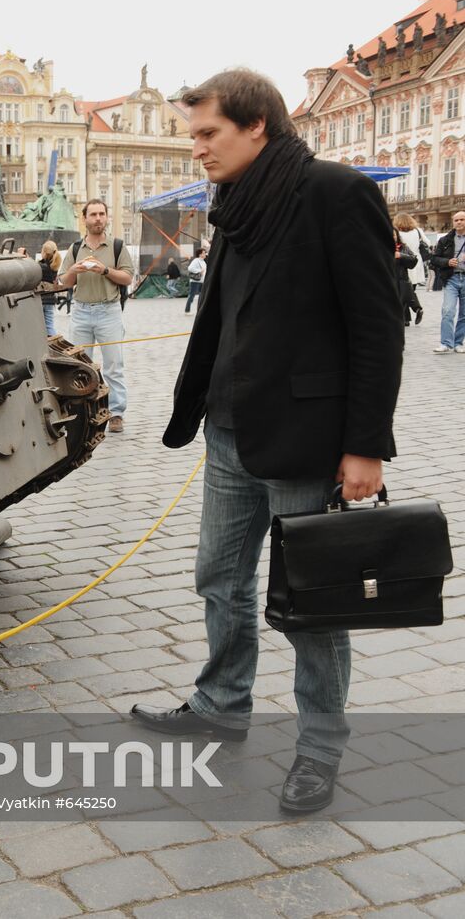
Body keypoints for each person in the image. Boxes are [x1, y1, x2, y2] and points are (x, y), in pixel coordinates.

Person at [136, 68, 402, 814]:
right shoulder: (235, 202)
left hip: (307, 438)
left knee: (312, 605)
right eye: (193, 135)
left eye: (207, 133)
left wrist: (365, 446)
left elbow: (377, 330)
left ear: (257, 125)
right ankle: (222, 703)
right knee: (218, 578)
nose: (196, 150)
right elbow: (222, 316)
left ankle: (320, 747)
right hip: (229, 433)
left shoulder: (334, 193)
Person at [55, 199, 135, 432]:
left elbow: (128, 277)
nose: (98, 218)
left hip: (108, 310)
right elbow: (64, 282)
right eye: (93, 215)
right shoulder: (75, 247)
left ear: (107, 217)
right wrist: (73, 270)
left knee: (114, 365)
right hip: (81, 311)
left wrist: (105, 270)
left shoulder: (117, 246)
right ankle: (82, 411)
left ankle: (117, 413)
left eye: (102, 214)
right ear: (85, 219)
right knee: (78, 365)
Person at [428, 210, 465, 353]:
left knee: (464, 314)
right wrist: (448, 261)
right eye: (457, 220)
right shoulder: (445, 240)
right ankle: (445, 343)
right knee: (448, 310)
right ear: (453, 222)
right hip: (452, 278)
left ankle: (458, 343)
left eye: (462, 219)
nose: (459, 222)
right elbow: (434, 259)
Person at [394, 213, 426, 325]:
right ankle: (410, 314)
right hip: (415, 263)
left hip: (402, 263)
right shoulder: (418, 231)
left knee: (403, 291)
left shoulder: (397, 232)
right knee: (407, 290)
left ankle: (406, 317)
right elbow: (427, 243)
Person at [393, 228, 420, 326]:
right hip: (388, 278)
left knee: (404, 297)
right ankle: (416, 309)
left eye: (394, 235)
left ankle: (406, 318)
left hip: (402, 277)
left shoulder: (403, 247)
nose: (392, 237)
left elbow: (413, 260)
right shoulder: (381, 247)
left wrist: (401, 255)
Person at [38, 240, 60, 336]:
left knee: (38, 325)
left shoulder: (41, 266)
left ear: (44, 252)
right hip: (50, 299)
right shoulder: (54, 265)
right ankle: (52, 340)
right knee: (50, 325)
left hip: (41, 299)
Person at [185, 245, 207, 313]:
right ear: (200, 254)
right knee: (192, 296)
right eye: (203, 253)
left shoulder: (203, 262)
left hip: (202, 281)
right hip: (195, 281)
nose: (205, 254)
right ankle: (187, 310)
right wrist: (199, 271)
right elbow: (190, 268)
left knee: (202, 296)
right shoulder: (196, 260)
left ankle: (199, 310)